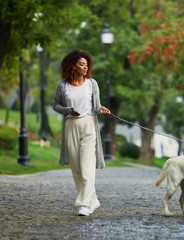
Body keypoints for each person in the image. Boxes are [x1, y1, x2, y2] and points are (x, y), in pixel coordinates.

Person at [53, 50, 111, 216]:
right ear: (73, 66)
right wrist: (67, 110)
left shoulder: (91, 83)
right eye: (81, 64)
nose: (85, 67)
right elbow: (56, 105)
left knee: (86, 167)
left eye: (87, 65)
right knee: (77, 168)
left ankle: (83, 204)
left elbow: (97, 105)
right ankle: (93, 201)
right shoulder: (62, 85)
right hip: (71, 124)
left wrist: (102, 109)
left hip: (88, 125)